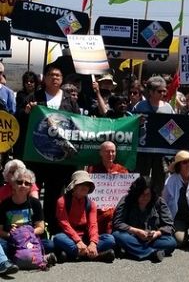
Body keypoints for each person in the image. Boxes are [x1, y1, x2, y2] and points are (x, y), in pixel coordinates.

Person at [21, 64, 80, 234]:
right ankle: (32, 228)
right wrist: (26, 112)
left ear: (62, 80)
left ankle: (52, 230)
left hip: (59, 159)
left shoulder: (70, 100)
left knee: (55, 196)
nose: (55, 78)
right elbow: (22, 122)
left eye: (58, 75)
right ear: (45, 78)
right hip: (37, 157)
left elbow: (77, 126)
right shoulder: (34, 97)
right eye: (51, 75)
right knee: (33, 192)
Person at [53, 171, 116, 262]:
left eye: (87, 184)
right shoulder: (62, 201)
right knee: (58, 238)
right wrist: (78, 241)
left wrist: (93, 243)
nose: (85, 187)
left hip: (85, 238)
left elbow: (92, 225)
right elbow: (64, 223)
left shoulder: (91, 204)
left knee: (110, 239)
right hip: (69, 237)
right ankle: (94, 255)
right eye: (82, 184)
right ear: (74, 187)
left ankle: (78, 254)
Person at [0, 168, 57, 267]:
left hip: (30, 240)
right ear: (13, 184)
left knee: (50, 245)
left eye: (27, 183)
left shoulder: (35, 203)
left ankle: (18, 259)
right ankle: (38, 257)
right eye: (19, 182)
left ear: (31, 187)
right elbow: (0, 231)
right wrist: (12, 235)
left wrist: (24, 233)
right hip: (11, 240)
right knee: (2, 245)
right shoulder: (5, 204)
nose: (23, 185)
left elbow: (41, 228)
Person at [112, 176, 176, 262]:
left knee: (171, 242)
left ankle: (132, 251)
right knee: (117, 235)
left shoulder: (159, 202)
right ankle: (151, 253)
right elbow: (117, 222)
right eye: (142, 194)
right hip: (132, 236)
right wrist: (136, 231)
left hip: (151, 239)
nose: (145, 197)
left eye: (148, 194)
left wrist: (157, 233)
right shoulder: (126, 201)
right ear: (136, 193)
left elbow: (169, 225)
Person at [132, 76, 174, 194]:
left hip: (160, 152)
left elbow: (174, 131)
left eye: (164, 91)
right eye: (159, 91)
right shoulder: (140, 106)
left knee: (159, 181)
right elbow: (131, 126)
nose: (163, 93)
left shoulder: (168, 108)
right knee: (141, 179)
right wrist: (138, 123)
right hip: (143, 150)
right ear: (150, 92)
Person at [87, 141, 129, 234]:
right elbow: (88, 191)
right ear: (100, 153)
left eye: (113, 151)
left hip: (116, 210)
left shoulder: (122, 170)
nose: (110, 154)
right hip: (98, 209)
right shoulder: (92, 170)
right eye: (107, 151)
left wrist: (120, 179)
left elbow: (127, 193)